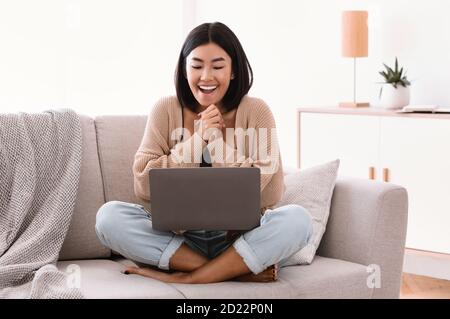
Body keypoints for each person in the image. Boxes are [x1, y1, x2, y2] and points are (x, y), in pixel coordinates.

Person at [95, 22, 312, 284]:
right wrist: (198, 139)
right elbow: (143, 182)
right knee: (109, 217)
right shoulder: (164, 109)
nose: (206, 76)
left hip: (241, 239)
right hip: (180, 241)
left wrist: (216, 142)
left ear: (233, 71)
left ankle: (188, 276)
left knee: (298, 221)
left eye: (218, 66)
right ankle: (230, 271)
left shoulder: (257, 111)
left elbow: (263, 188)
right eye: (196, 66)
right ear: (184, 68)